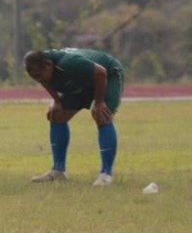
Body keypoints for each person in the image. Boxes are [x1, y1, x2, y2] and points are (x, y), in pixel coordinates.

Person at [23, 48, 124, 186]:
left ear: (48, 65)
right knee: (57, 115)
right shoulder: (40, 64)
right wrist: (57, 101)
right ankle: (58, 171)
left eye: (39, 75)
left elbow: (100, 72)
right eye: (35, 77)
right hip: (84, 81)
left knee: (101, 115)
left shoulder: (68, 63)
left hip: (107, 74)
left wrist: (99, 102)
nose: (38, 79)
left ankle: (106, 174)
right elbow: (44, 80)